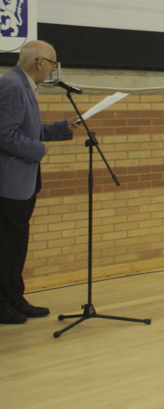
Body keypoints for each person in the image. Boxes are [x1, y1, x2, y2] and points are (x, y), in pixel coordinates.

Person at [0, 42, 79, 325]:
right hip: (8, 185)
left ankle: (14, 298)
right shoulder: (12, 86)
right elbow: (4, 134)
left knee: (17, 244)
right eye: (54, 64)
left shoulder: (24, 85)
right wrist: (38, 151)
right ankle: (3, 303)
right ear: (40, 62)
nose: (54, 69)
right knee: (7, 245)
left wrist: (62, 128)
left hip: (23, 183)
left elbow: (29, 130)